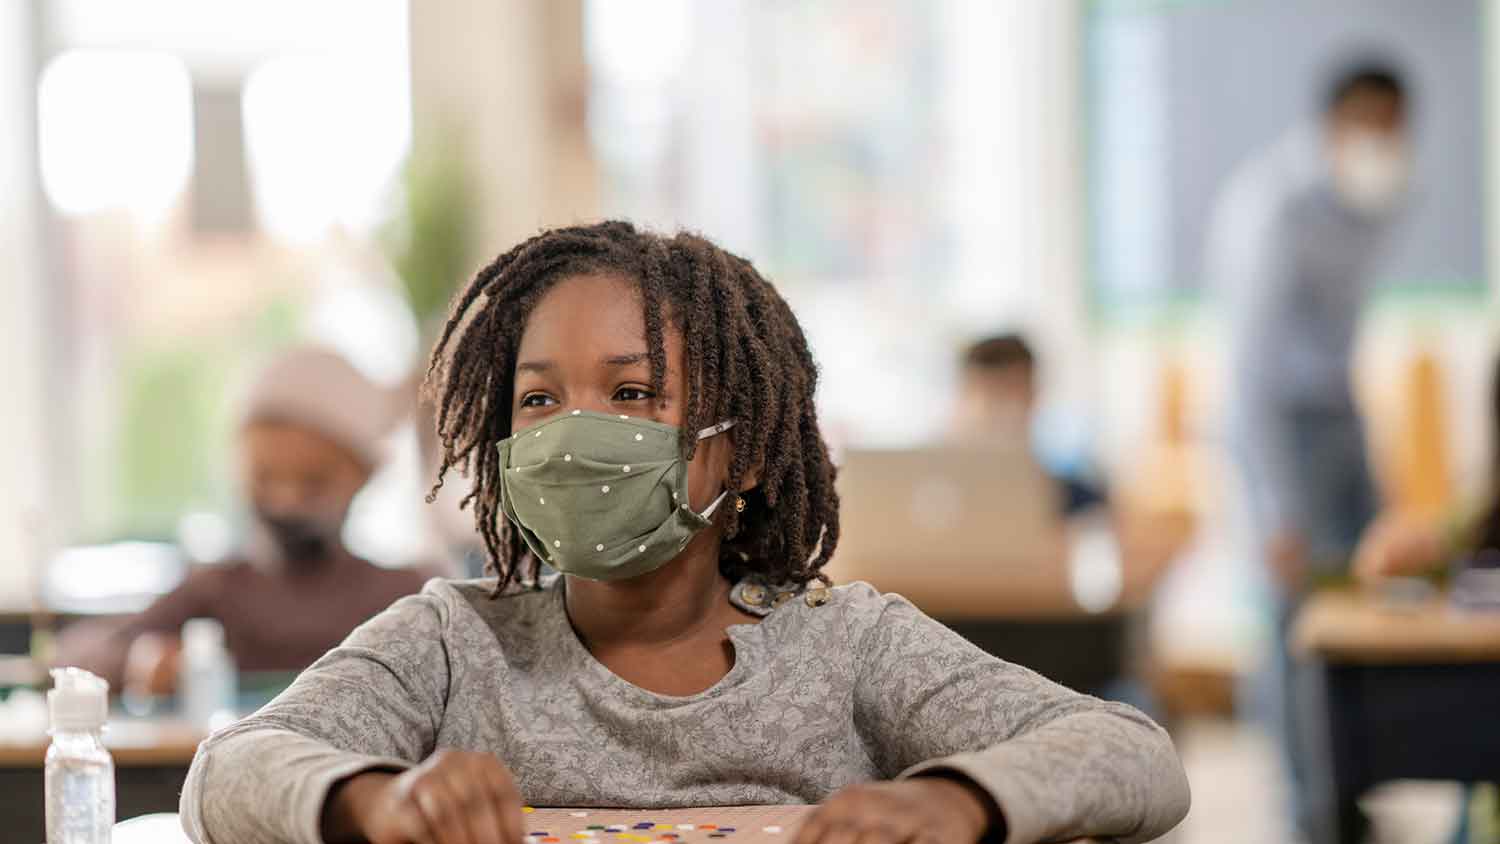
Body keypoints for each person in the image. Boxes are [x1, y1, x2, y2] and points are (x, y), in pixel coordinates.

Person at [178, 222, 1190, 844]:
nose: (576, 433)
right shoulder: (450, 639)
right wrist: (374, 802)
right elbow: (225, 774)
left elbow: (1132, 755)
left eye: (631, 392)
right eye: (538, 402)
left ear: (738, 452)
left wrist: (959, 802)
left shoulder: (849, 645)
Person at [1208, 59, 1411, 842]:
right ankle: (1311, 813)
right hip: (1277, 425)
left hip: (1340, 416)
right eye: (1371, 126)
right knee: (1297, 625)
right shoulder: (1273, 207)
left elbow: (1341, 346)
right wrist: (1277, 508)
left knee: (1368, 604)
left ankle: (1351, 790)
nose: (1384, 144)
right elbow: (1250, 372)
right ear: (1337, 122)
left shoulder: (1374, 201)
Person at [55, 346, 431, 696]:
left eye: (313, 482)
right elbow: (73, 655)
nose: (286, 501)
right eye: (265, 478)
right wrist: (137, 660)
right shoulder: (217, 588)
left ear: (366, 475)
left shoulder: (403, 594)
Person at [951, 333, 1106, 517]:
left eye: (1012, 392)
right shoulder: (937, 496)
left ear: (1034, 395)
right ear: (964, 398)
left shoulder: (1076, 496)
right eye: (991, 396)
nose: (1002, 412)